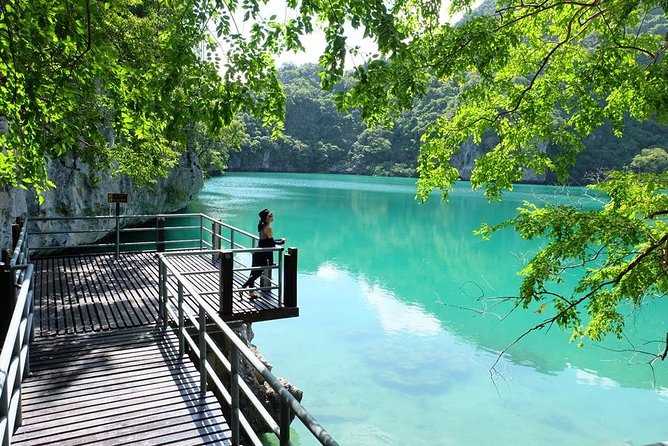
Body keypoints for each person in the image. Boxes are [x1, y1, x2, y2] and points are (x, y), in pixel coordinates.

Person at [241, 208, 285, 298]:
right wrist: (282, 242)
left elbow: (268, 240)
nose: (273, 217)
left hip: (258, 251)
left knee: (254, 272)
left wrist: (278, 240)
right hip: (262, 254)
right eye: (271, 216)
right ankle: (242, 287)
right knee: (257, 274)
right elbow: (272, 243)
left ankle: (251, 292)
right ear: (267, 218)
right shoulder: (268, 228)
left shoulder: (262, 226)